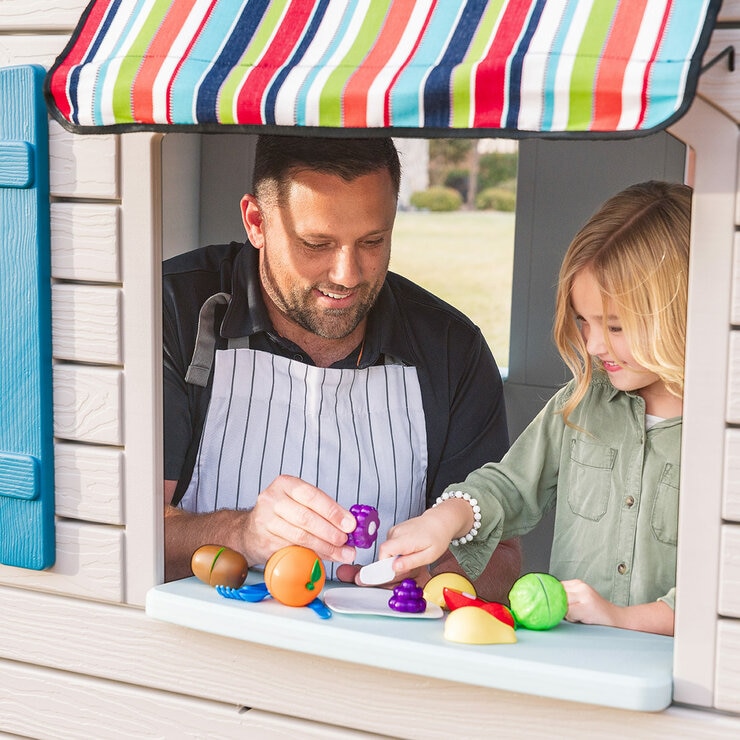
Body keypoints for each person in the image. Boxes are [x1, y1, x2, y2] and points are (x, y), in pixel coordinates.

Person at [162, 134, 521, 599]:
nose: (347, 275)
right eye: (317, 243)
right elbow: (124, 529)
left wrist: (431, 576)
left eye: (372, 241)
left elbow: (502, 557)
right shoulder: (175, 312)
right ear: (256, 222)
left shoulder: (451, 350)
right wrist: (242, 533)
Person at [377, 180, 690, 635]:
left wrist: (620, 619)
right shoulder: (581, 404)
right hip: (569, 669)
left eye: (617, 326)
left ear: (678, 312)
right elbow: (509, 488)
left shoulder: (723, 435)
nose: (594, 344)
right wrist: (443, 519)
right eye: (584, 321)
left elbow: (722, 589)